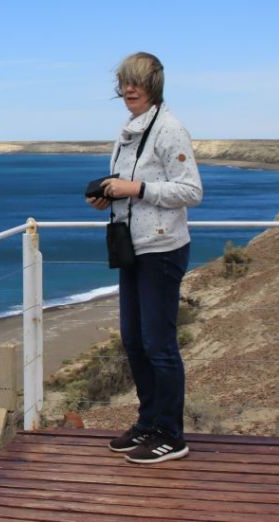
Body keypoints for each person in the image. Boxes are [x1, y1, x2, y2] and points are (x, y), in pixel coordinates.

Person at [86, 52, 202, 464]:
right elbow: (130, 185)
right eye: (123, 83)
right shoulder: (128, 133)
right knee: (134, 342)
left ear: (154, 85)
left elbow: (191, 191)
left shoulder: (169, 130)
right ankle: (149, 422)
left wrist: (134, 189)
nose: (128, 89)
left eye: (136, 82)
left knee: (158, 344)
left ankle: (171, 434)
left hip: (162, 250)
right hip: (132, 247)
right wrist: (108, 195)